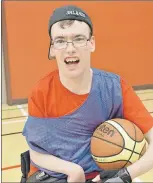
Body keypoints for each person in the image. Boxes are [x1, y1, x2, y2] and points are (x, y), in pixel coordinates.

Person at [22, 5, 153, 183]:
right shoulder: (41, 92)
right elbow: (36, 152)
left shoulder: (115, 88)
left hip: (103, 177)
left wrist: (125, 175)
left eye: (79, 39)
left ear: (92, 43)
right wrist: (73, 170)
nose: (70, 49)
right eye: (60, 40)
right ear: (52, 49)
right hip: (55, 174)